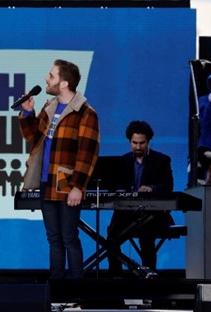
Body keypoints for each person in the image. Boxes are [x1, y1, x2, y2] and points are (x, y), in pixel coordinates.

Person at [18, 59, 100, 279]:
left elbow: (87, 153)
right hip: (47, 182)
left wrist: (78, 186)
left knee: (69, 237)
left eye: (51, 75)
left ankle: (76, 291)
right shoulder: (49, 107)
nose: (46, 78)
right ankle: (57, 289)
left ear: (64, 83)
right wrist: (28, 113)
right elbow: (33, 138)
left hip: (67, 183)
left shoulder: (85, 113)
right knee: (53, 238)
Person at [106, 121, 174, 276]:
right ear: (129, 142)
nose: (138, 147)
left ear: (148, 141)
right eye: (134, 143)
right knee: (111, 241)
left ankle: (149, 285)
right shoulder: (122, 161)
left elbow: (168, 185)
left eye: (142, 143)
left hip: (151, 214)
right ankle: (115, 281)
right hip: (125, 215)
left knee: (147, 241)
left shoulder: (162, 160)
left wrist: (152, 188)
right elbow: (113, 185)